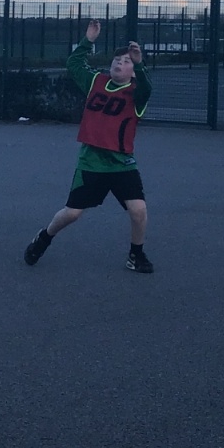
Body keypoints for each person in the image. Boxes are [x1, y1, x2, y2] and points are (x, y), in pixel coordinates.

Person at [23, 19, 154, 272]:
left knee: (138, 210)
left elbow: (147, 87)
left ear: (133, 71)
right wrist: (88, 40)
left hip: (121, 163)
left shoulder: (137, 93)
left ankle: (136, 255)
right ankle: (44, 237)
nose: (119, 63)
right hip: (91, 162)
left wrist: (140, 63)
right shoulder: (96, 82)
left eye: (126, 61)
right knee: (72, 213)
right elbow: (73, 64)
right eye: (117, 60)